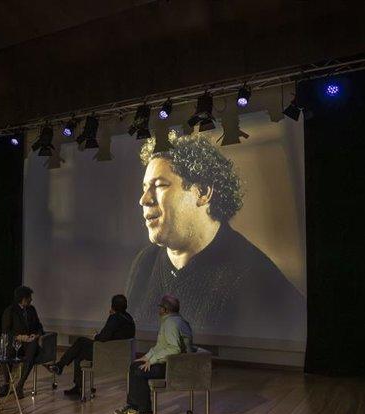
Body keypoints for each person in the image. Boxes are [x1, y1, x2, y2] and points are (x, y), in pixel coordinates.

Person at [126, 133, 306, 341]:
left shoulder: (255, 278)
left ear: (203, 193)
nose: (144, 199)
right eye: (145, 188)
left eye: (159, 185)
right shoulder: (145, 263)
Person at [114, 294, 193, 414]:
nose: (159, 310)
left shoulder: (171, 323)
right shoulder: (175, 320)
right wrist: (147, 357)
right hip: (172, 363)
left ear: (165, 310)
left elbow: (174, 349)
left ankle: (146, 413)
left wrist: (153, 360)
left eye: (160, 307)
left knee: (139, 372)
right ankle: (133, 406)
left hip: (174, 367)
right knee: (135, 366)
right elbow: (161, 346)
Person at [47, 294, 136, 397]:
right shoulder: (129, 318)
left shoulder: (115, 318)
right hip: (119, 354)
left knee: (80, 342)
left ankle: (60, 366)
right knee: (79, 352)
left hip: (107, 354)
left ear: (113, 306)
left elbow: (103, 337)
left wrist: (96, 336)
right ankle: (75, 384)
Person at [0, 285, 44, 399]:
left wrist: (36, 334)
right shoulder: (10, 310)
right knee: (7, 353)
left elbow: (39, 326)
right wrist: (19, 337)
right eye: (29, 297)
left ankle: (20, 385)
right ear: (23, 298)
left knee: (32, 350)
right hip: (15, 342)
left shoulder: (31, 309)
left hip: (29, 342)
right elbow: (5, 331)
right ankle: (6, 384)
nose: (31, 300)